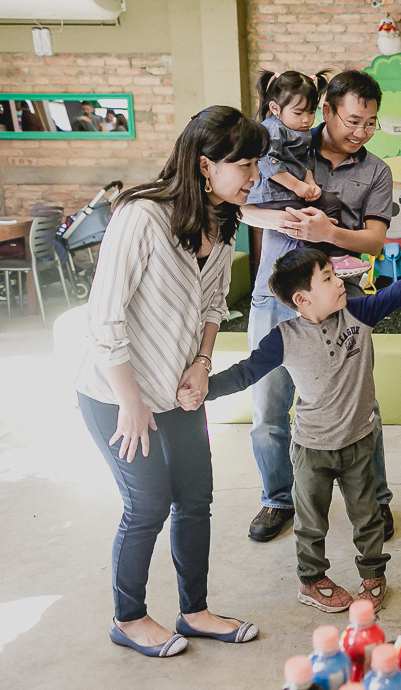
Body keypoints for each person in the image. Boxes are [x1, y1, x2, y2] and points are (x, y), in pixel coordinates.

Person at [183, 249, 401, 612]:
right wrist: (204, 391)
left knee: (368, 516)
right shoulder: (283, 337)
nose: (340, 281)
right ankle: (311, 579)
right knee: (310, 522)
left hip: (359, 442)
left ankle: (373, 574)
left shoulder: (358, 313)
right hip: (311, 449)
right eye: (328, 278)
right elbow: (245, 373)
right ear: (302, 299)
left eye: (335, 274)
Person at [77, 105, 267, 658]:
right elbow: (104, 317)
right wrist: (130, 403)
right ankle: (128, 617)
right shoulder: (142, 215)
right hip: (116, 392)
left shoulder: (224, 219)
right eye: (246, 165)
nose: (254, 176)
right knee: (148, 504)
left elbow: (212, 304)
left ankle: (195, 611)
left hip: (179, 390)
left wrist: (203, 364)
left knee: (195, 499)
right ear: (206, 165)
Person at [240, 70, 395, 544]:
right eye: (352, 120)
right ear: (325, 111)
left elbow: (373, 241)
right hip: (275, 300)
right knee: (269, 407)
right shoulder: (284, 142)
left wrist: (327, 232)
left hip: (338, 302)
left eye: (370, 124)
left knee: (359, 409)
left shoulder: (376, 172)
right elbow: (241, 207)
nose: (361, 132)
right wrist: (288, 220)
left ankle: (376, 501)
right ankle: (276, 500)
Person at [249, 70, 343, 232]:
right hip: (273, 194)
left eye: (312, 111)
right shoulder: (273, 130)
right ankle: (313, 252)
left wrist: (310, 184)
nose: (306, 119)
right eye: (298, 112)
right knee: (305, 220)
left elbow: (305, 159)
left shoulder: (300, 129)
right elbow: (269, 164)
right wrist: (297, 186)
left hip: (292, 192)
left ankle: (333, 253)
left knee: (331, 203)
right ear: (275, 108)